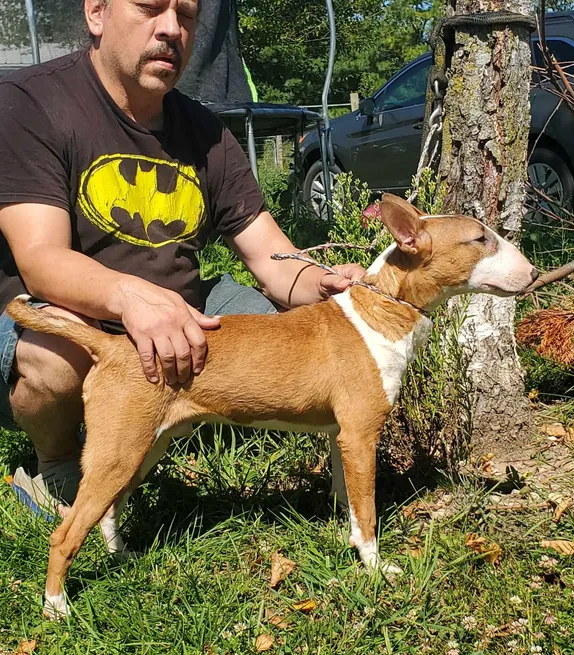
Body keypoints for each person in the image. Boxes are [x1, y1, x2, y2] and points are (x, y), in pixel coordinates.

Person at [0, 0, 365, 516]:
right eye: (150, 7)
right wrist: (131, 296)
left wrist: (326, 283)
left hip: (184, 311)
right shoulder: (30, 102)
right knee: (51, 358)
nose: (171, 28)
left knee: (296, 340)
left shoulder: (206, 132)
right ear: (97, 13)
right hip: (60, 313)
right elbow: (40, 258)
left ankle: (167, 428)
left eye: (187, 16)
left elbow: (273, 257)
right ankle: (58, 468)